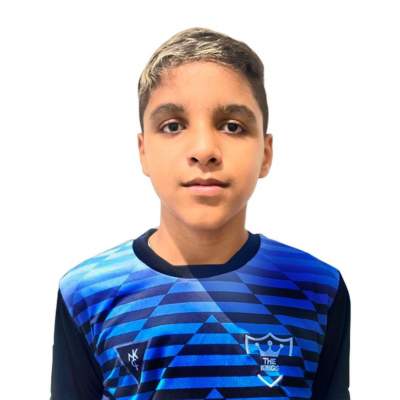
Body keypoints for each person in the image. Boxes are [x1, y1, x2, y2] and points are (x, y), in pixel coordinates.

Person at [50, 26, 351, 400]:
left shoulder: (318, 287)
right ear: (144, 151)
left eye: (232, 126)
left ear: (266, 153)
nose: (204, 150)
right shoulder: (87, 292)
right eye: (173, 126)